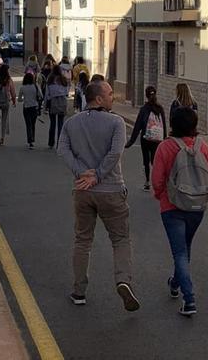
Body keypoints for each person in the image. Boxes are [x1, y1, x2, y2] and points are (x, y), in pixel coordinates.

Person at [57, 80, 140, 312]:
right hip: (111, 190)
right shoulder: (116, 123)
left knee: (83, 240)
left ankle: (79, 290)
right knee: (121, 239)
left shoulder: (72, 123)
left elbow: (62, 149)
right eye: (110, 93)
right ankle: (123, 280)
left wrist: (80, 172)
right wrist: (99, 175)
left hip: (83, 192)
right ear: (100, 99)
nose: (113, 97)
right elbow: (115, 153)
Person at [151, 107, 208, 316]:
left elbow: (157, 180)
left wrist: (160, 196)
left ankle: (189, 298)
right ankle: (175, 282)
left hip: (172, 206)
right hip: (197, 205)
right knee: (185, 247)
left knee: (180, 251)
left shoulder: (166, 147)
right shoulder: (201, 145)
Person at [125, 86, 167, 191]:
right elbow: (164, 125)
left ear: (146, 95)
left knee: (146, 160)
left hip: (146, 138)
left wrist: (130, 142)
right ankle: (159, 181)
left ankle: (147, 182)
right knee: (155, 160)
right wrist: (164, 139)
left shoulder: (144, 109)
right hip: (157, 139)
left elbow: (137, 126)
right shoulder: (160, 109)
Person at [44, 66, 68, 148]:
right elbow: (66, 92)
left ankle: (51, 143)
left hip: (53, 102)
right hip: (62, 101)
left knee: (52, 123)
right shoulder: (63, 80)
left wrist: (45, 106)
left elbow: (47, 94)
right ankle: (59, 143)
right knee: (61, 123)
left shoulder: (50, 79)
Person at [18, 72, 43, 149]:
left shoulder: (22, 87)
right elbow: (41, 96)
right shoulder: (35, 86)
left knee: (28, 124)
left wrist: (24, 99)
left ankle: (30, 140)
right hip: (34, 107)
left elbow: (19, 99)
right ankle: (32, 138)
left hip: (26, 107)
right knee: (33, 124)